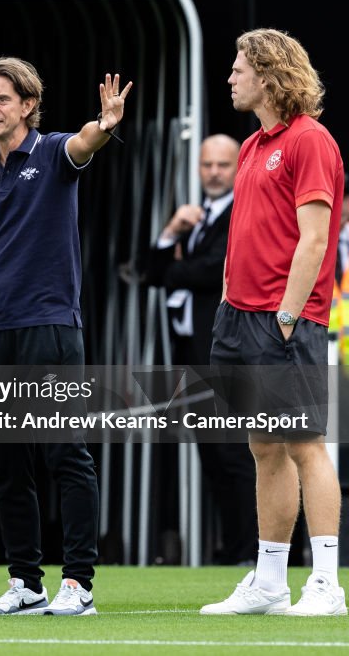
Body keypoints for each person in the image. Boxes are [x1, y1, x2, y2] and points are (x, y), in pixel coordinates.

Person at [0, 57, 132, 616]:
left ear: (28, 104)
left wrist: (106, 123)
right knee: (8, 465)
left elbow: (84, 144)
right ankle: (26, 583)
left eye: (2, 100)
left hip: (50, 327)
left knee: (64, 455)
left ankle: (79, 584)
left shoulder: (51, 153)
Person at [201, 28, 346, 617]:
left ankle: (328, 584)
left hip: (284, 321)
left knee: (307, 445)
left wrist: (286, 317)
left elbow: (316, 240)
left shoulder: (311, 140)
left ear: (268, 73)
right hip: (236, 320)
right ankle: (268, 583)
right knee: (264, 448)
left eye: (239, 68)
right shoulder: (253, 145)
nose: (231, 77)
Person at [145, 133, 257, 565]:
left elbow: (216, 271)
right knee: (212, 456)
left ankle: (252, 554)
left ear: (236, 168)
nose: (214, 172)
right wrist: (171, 232)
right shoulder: (195, 217)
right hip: (193, 351)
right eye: (207, 165)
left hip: (228, 350)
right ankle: (234, 551)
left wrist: (179, 269)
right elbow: (153, 272)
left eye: (222, 165)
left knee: (236, 455)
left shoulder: (240, 211)